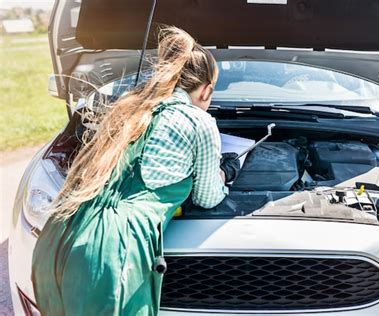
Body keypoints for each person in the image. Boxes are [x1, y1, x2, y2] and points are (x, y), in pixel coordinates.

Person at [32, 26, 239, 315]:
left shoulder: (129, 110)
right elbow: (207, 197)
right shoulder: (198, 122)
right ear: (206, 90)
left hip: (59, 239)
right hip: (112, 256)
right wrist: (226, 173)